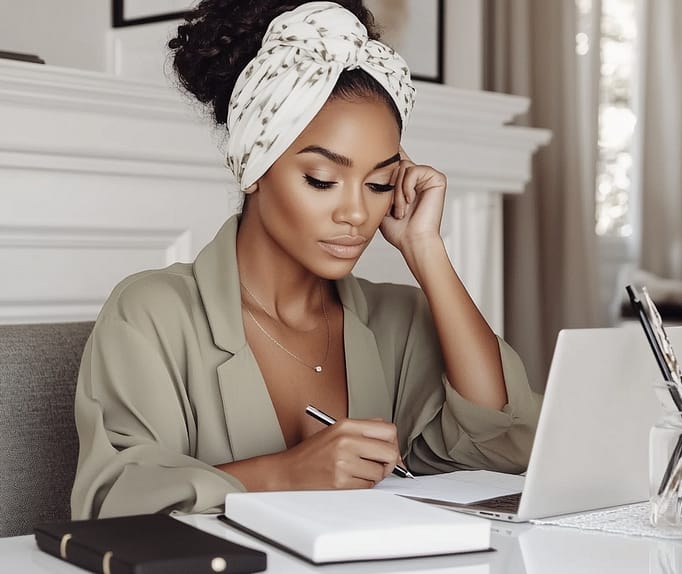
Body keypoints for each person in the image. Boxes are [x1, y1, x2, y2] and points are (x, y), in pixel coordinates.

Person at [71, 0, 542, 520]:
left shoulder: (399, 323)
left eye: (380, 183)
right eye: (322, 180)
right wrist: (287, 473)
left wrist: (426, 249)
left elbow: (503, 446)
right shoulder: (152, 313)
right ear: (253, 166)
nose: (357, 212)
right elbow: (111, 500)